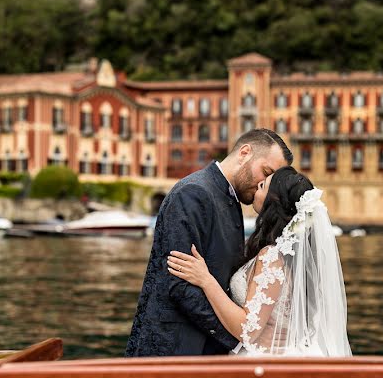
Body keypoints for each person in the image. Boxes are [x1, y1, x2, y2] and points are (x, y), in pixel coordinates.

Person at [125, 128, 292, 357]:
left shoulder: (231, 198)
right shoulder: (194, 193)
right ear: (244, 152)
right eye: (266, 172)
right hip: (175, 352)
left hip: (204, 353)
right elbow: (179, 285)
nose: (266, 185)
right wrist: (236, 341)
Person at [166, 166, 351, 358]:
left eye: (263, 185)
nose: (256, 186)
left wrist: (205, 280)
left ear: (275, 201)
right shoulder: (292, 260)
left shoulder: (271, 257)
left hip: (263, 361)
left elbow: (248, 330)